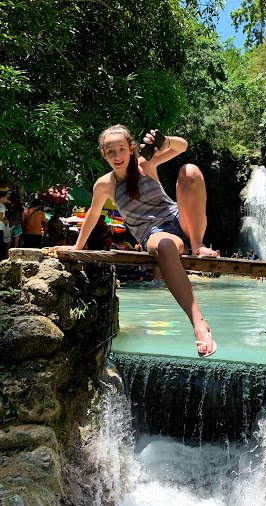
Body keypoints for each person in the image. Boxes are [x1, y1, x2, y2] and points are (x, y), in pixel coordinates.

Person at [51, 125, 218, 357]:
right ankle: (199, 324)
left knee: (190, 171)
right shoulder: (104, 185)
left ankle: (198, 244)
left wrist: (164, 141)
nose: (117, 156)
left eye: (121, 149)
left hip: (182, 221)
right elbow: (92, 214)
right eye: (111, 151)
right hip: (156, 234)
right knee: (165, 245)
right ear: (103, 154)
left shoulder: (145, 164)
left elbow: (183, 146)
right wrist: (77, 247)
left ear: (131, 149)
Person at [0, 191, 9, 260]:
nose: (7, 199)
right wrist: (4, 221)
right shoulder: (2, 206)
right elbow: (0, 216)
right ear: (2, 198)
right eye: (6, 198)